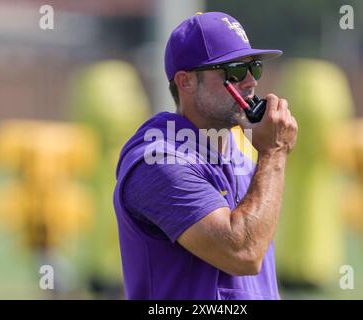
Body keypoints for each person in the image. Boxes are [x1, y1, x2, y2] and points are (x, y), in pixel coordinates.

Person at [113, 11, 298, 300]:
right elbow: (243, 253)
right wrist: (274, 151)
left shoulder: (246, 160)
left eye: (255, 67)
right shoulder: (158, 163)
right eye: (234, 70)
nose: (250, 81)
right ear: (186, 82)